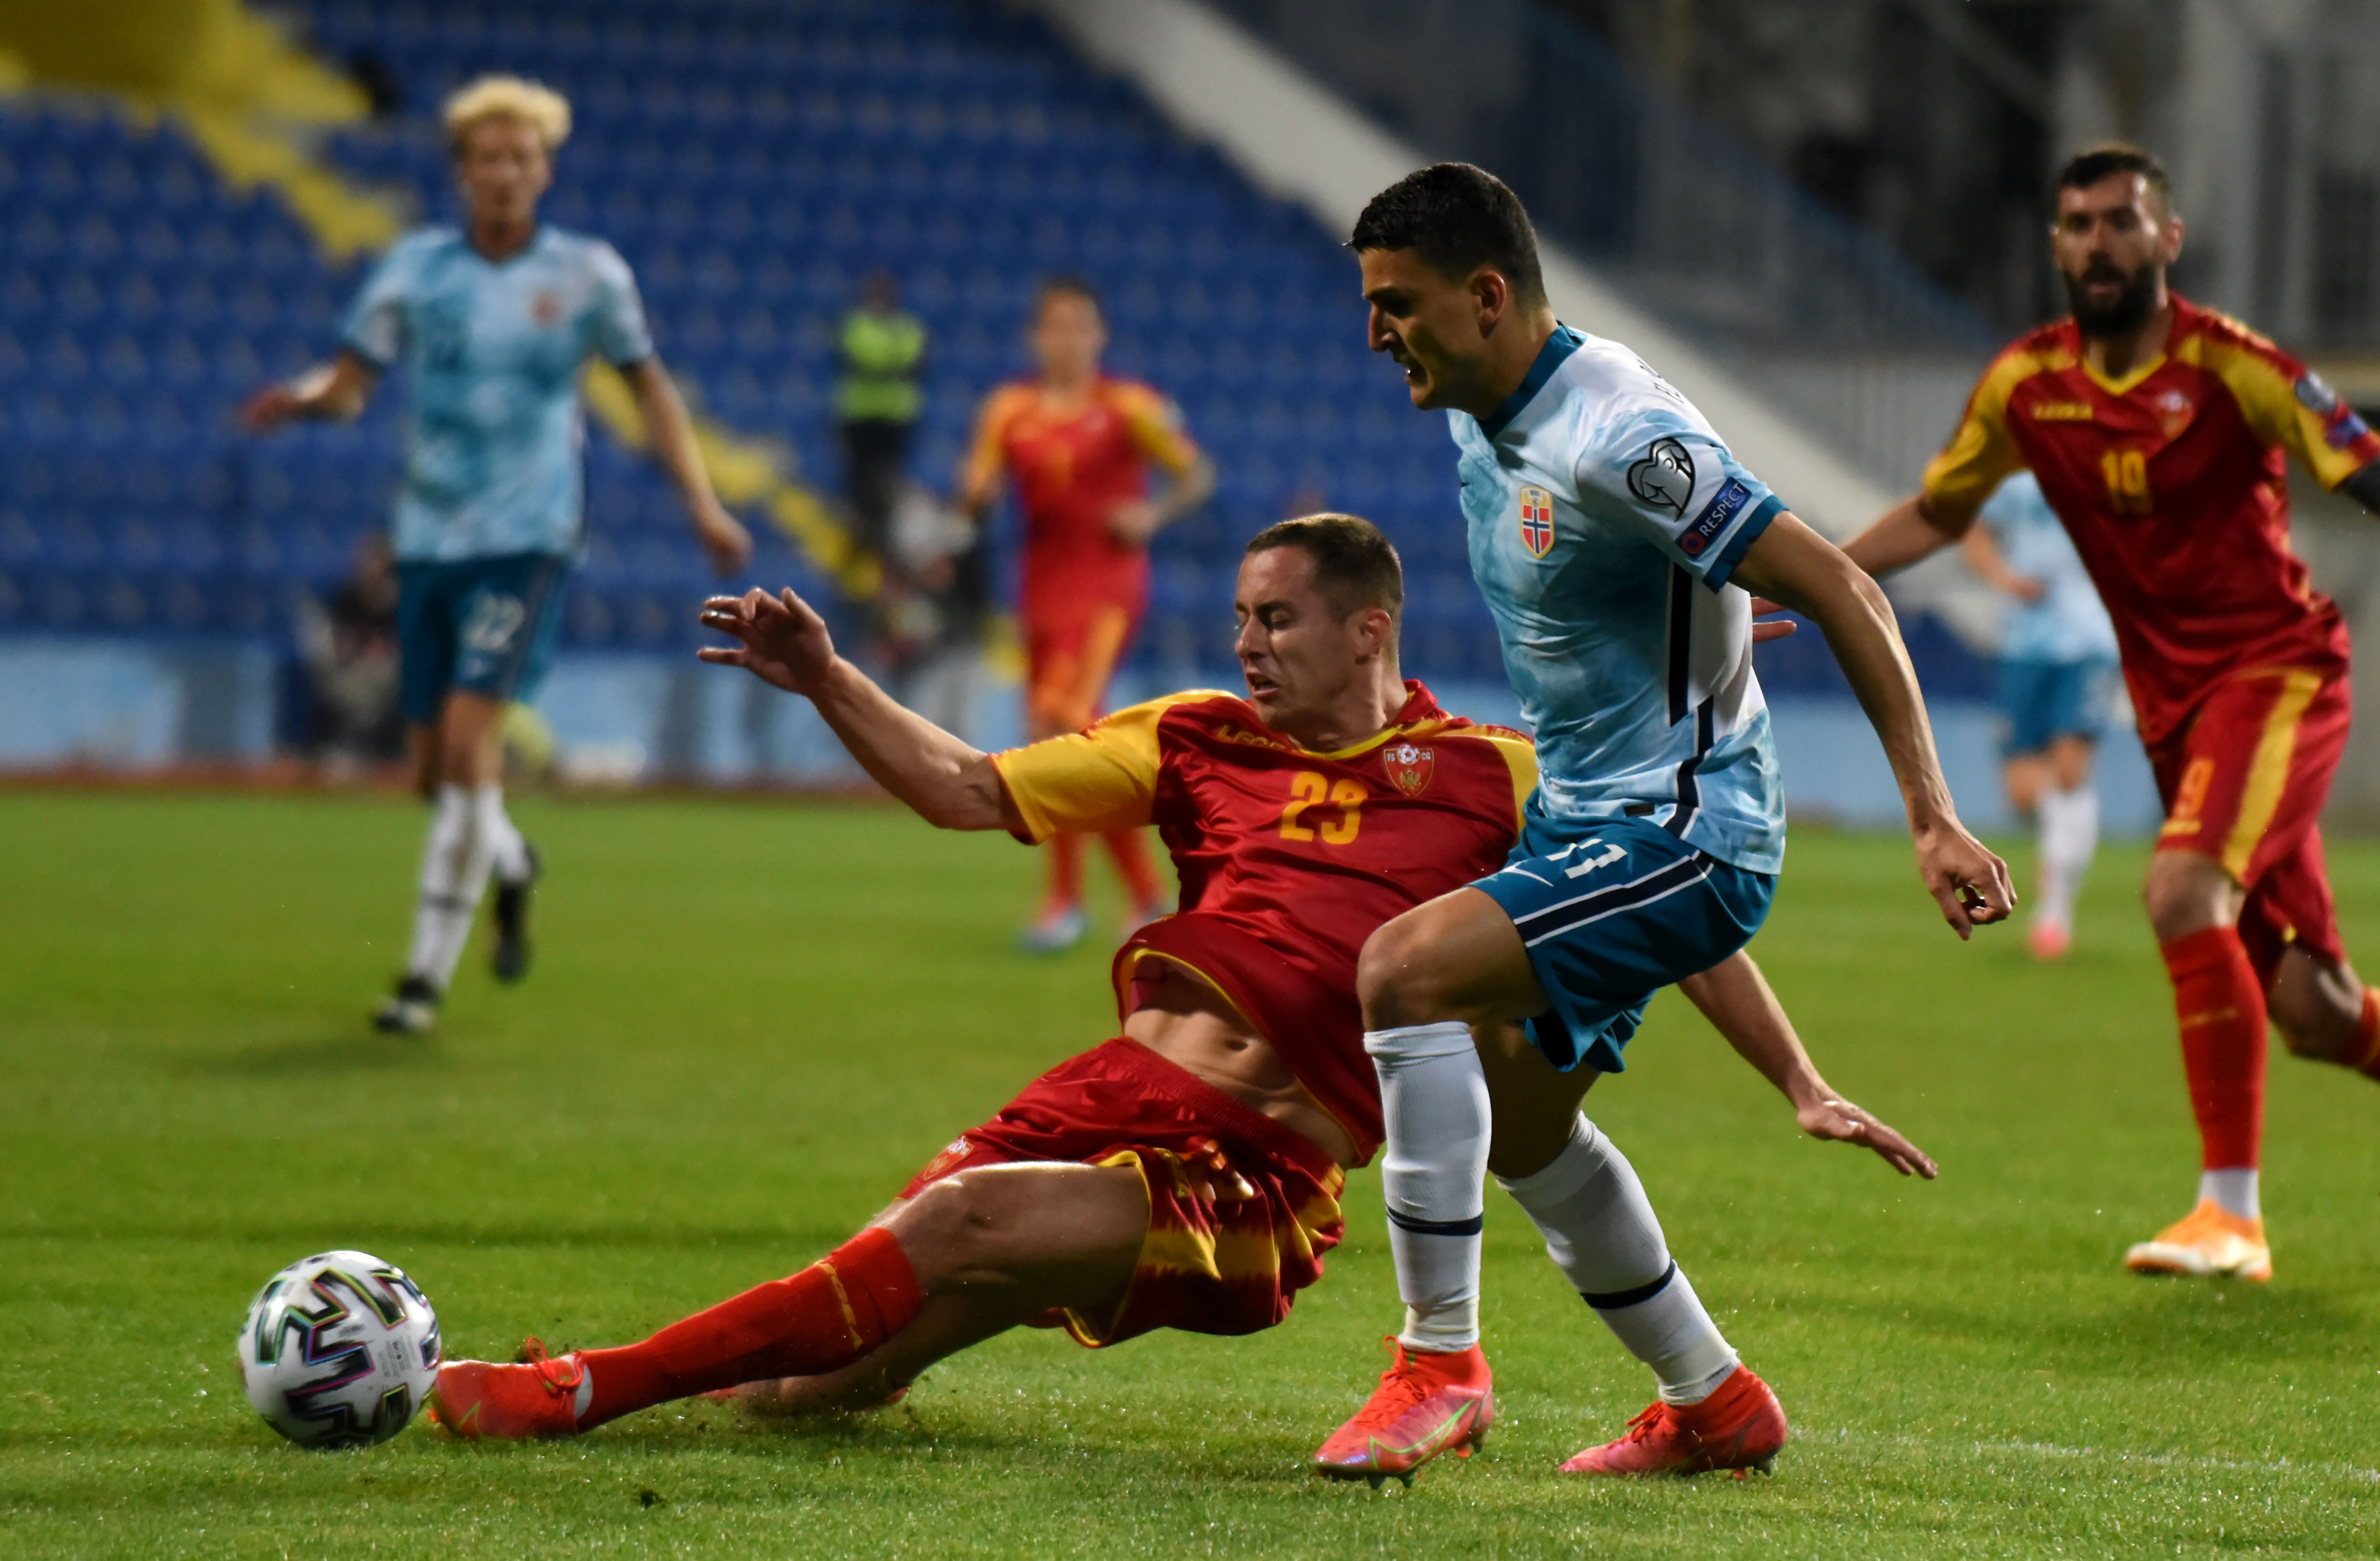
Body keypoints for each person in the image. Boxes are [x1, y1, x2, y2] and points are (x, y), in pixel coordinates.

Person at [421, 515, 1935, 1444]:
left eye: (1275, 618)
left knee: (952, 1229)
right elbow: (963, 787)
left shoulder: (1494, 773)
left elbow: (1666, 915)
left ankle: (580, 1387)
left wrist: (1799, 1080)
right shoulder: (1194, 734)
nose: (1247, 644)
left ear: (1368, 628)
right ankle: (774, 1377)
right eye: (1239, 619)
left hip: (1250, 1176)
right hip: (1099, 1095)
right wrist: (829, 680)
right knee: (819, 1383)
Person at [1319, 164, 2010, 1482]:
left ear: (1487, 296)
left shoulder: (1620, 432)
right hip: (1590, 823)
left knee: (1400, 972)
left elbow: (1850, 586)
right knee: (1520, 1131)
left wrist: (1934, 814)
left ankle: (1438, 1365)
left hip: (1688, 834)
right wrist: (1712, 616)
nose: (1375, 335)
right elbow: (1638, 584)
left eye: (1397, 304)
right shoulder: (1482, 415)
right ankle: (1715, 1400)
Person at [1838, 144, 2380, 1283]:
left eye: (2122, 222)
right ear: (2054, 244)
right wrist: (1805, 576)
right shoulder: (2024, 386)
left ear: (2166, 241)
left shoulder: (2234, 367)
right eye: (2077, 224)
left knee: (2180, 885)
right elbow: (1941, 512)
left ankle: (2228, 1217)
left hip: (2275, 675)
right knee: (2313, 1010)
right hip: (2173, 711)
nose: (2098, 243)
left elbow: (2359, 463)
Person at [241, 75, 751, 1034]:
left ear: (544, 170)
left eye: (522, 158)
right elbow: (351, 384)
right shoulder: (414, 271)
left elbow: (651, 394)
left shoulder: (590, 275)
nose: (506, 173)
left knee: (474, 743)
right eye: (489, 158)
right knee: (435, 769)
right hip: (429, 540)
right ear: (463, 172)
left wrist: (703, 503)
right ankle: (511, 861)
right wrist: (305, 399)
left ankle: (420, 982)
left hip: (528, 538)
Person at [958, 277, 1218, 953]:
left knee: (1064, 718)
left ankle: (1097, 900)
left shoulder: (1130, 406)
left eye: (1080, 326)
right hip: (1040, 587)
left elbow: (1196, 474)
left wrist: (1152, 514)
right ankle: (1115, 898)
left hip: (1107, 583)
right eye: (1056, 326)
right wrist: (974, 501)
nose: (1068, 339)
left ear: (1099, 337)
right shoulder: (1009, 410)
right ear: (1036, 337)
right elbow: (978, 487)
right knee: (1052, 744)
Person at [1963, 470, 2120, 960]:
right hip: (2023, 642)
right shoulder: (2015, 477)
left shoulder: (2110, 468)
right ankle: (2062, 846)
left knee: (2070, 769)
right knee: (2021, 793)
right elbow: (1973, 530)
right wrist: (2005, 579)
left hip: (2090, 639)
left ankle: (2054, 914)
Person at [835, 270, 927, 567]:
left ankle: (884, 541)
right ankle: (860, 538)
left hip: (895, 417)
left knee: (888, 483)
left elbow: (913, 361)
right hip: (860, 415)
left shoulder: (907, 328)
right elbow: (866, 358)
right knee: (859, 482)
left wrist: (881, 364)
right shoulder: (858, 325)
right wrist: (889, 364)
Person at [295, 531, 404, 777]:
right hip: (351, 673)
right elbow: (335, 645)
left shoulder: (401, 602)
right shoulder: (347, 598)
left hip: (388, 677)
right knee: (340, 688)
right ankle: (338, 751)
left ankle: (389, 756)